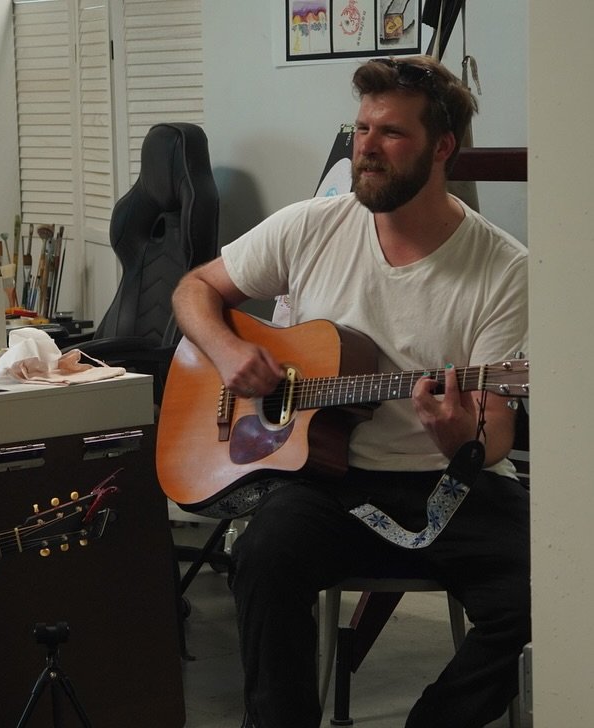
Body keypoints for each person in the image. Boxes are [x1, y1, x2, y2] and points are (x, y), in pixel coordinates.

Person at [171, 55, 529, 728]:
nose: (366, 146)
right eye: (361, 128)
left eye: (391, 133)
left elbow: (497, 420)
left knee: (549, 589)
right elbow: (194, 290)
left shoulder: (502, 268)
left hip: (446, 486)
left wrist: (464, 440)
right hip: (326, 483)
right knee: (262, 557)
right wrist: (230, 351)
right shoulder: (312, 224)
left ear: (442, 147)